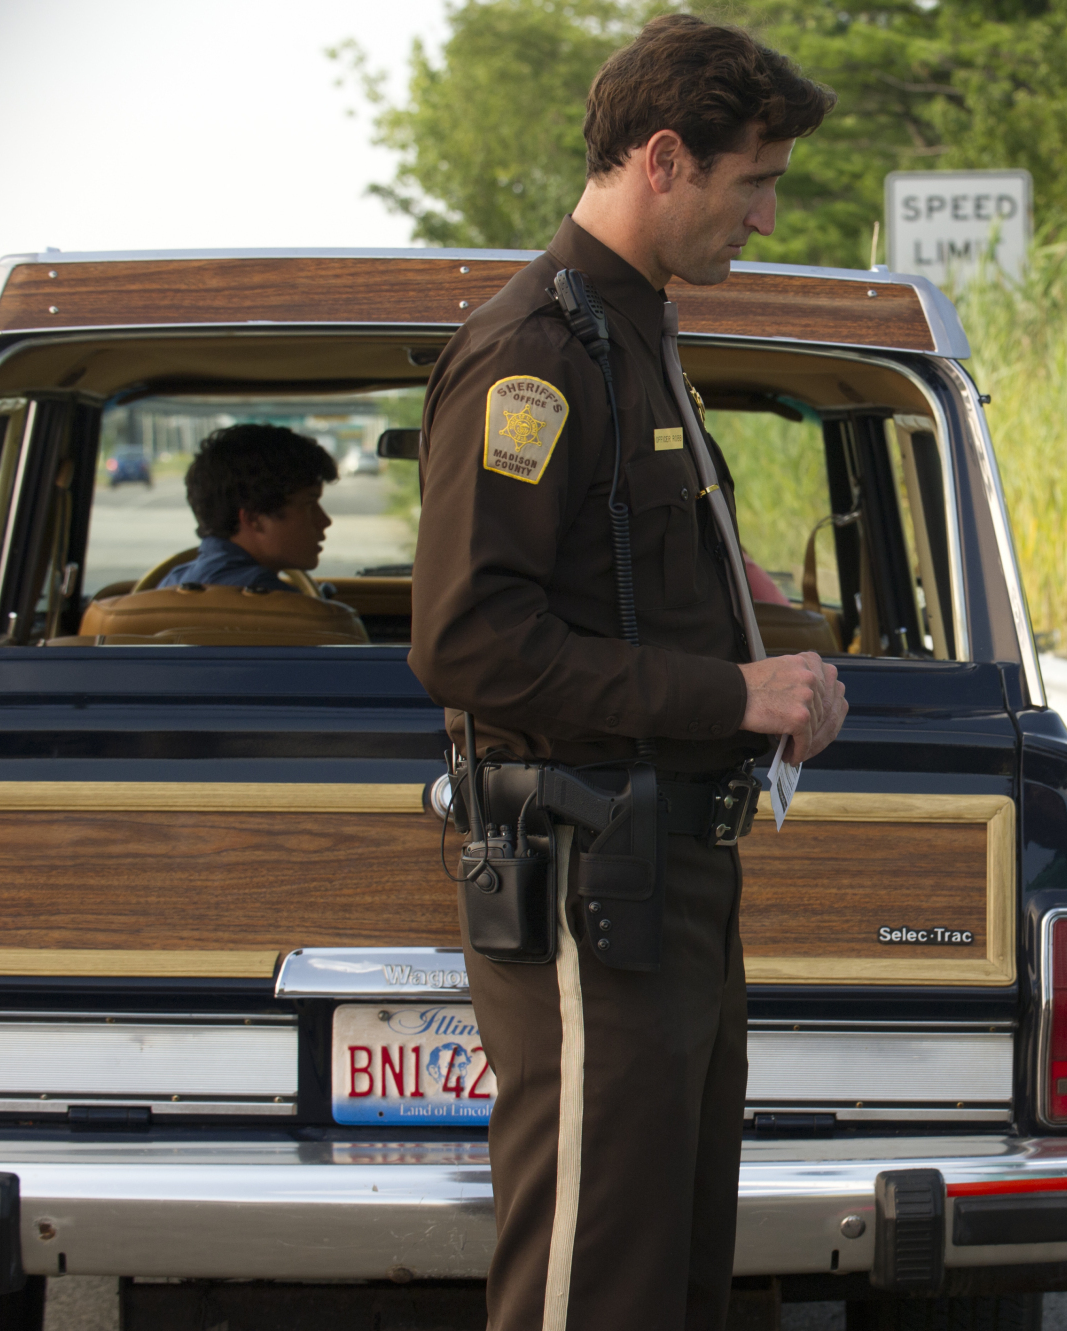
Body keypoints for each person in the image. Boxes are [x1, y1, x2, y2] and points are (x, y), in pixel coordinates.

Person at [407, 17, 846, 1331]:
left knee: (671, 1269)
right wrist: (737, 695)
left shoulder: (630, 332)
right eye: (751, 180)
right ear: (665, 157)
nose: (764, 216)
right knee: (594, 1280)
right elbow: (470, 639)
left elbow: (617, 574)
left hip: (668, 882)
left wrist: (758, 626)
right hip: (594, 879)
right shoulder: (534, 351)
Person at [160, 423, 335, 589]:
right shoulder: (276, 602)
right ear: (254, 519)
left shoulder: (173, 581)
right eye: (309, 505)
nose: (325, 521)